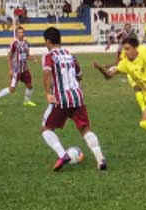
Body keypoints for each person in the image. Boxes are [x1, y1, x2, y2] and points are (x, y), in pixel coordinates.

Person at [40, 27, 107, 171]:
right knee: (85, 129)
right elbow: (80, 75)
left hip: (61, 99)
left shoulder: (49, 56)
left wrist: (47, 93)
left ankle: (63, 155)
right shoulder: (71, 55)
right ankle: (100, 158)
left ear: (48, 41)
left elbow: (46, 74)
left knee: (46, 129)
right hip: (77, 96)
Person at [0, 26, 37, 109]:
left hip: (24, 69)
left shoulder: (26, 43)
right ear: (16, 34)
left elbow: (27, 55)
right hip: (16, 70)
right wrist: (10, 69)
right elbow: (9, 56)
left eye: (22, 32)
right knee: (12, 89)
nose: (21, 34)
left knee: (30, 86)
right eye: (19, 32)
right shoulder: (14, 44)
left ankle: (26, 101)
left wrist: (32, 59)